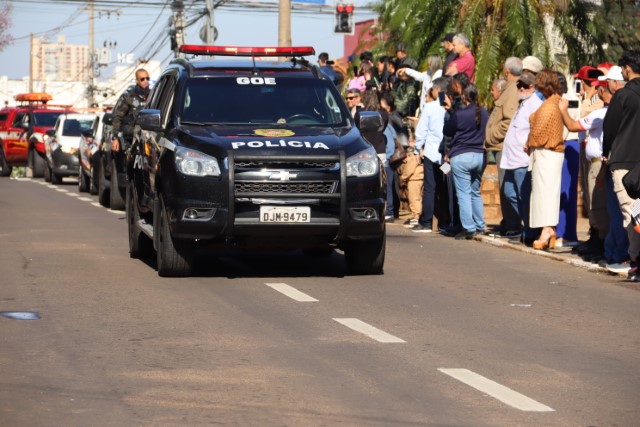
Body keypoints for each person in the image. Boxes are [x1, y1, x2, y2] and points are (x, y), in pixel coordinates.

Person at [559, 79, 612, 261]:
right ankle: (597, 243)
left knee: (597, 207)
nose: (599, 91)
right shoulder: (605, 112)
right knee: (593, 206)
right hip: (595, 162)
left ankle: (603, 246)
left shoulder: (601, 113)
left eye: (602, 89)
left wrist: (563, 110)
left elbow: (574, 126)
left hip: (598, 164)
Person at [602, 50, 640, 279]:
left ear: (626, 69)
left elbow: (610, 129)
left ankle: (635, 261)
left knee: (631, 214)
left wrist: (606, 153)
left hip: (624, 161)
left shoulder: (623, 95)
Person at [500, 71, 543, 244]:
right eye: (519, 85)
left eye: (525, 86)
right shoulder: (523, 103)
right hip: (511, 159)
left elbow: (537, 128)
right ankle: (527, 226)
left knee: (524, 196)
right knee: (509, 192)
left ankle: (530, 231)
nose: (521, 88)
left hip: (522, 159)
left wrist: (529, 142)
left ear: (533, 87)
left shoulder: (535, 104)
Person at [443, 83, 488, 239]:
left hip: (462, 155)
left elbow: (447, 130)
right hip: (479, 155)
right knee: (475, 191)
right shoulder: (484, 112)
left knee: (463, 193)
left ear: (464, 97)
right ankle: (480, 225)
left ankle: (469, 228)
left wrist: (450, 111)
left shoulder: (460, 114)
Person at [526, 69, 565, 250]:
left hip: (547, 152)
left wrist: (529, 142)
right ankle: (547, 228)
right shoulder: (553, 102)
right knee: (544, 192)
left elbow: (539, 131)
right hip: (546, 153)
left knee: (546, 192)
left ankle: (547, 229)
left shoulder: (550, 104)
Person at [485, 57, 523, 237]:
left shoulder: (513, 89)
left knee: (507, 187)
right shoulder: (509, 88)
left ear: (507, 71)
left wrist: (492, 135)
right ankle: (509, 222)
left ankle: (513, 223)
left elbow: (508, 120)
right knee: (505, 187)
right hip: (500, 145)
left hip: (503, 146)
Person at [412, 77, 448, 233]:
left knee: (429, 188)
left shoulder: (430, 107)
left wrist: (417, 148)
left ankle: (426, 222)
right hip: (445, 156)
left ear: (438, 90)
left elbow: (422, 130)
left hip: (431, 154)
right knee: (444, 187)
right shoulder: (450, 107)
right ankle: (445, 222)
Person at [111, 68, 151, 152]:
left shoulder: (153, 95)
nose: (146, 81)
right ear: (137, 81)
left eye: (147, 78)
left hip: (148, 137)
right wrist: (115, 138)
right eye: (142, 79)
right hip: (130, 139)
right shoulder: (128, 96)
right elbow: (117, 117)